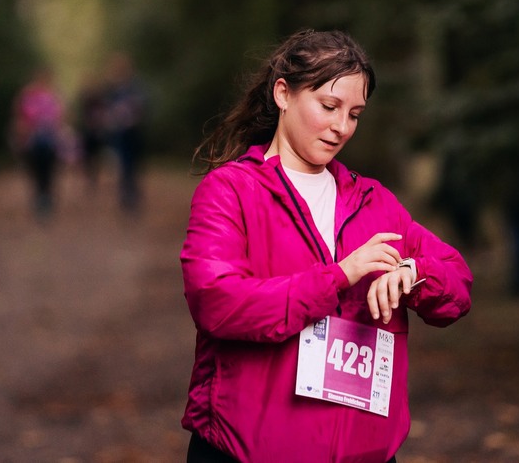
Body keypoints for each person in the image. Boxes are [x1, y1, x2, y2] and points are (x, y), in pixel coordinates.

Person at [180, 29, 473, 463]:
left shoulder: (374, 202)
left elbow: (458, 282)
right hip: (248, 453)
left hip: (363, 454)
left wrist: (413, 274)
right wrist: (338, 277)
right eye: (329, 107)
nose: (342, 127)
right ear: (283, 94)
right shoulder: (230, 191)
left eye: (355, 114)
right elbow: (216, 302)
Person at [10, 68, 65, 217]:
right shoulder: (28, 96)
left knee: (48, 170)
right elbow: (20, 116)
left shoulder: (53, 96)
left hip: (49, 141)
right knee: (36, 170)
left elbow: (60, 117)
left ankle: (45, 197)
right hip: (32, 140)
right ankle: (40, 196)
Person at [104, 52, 148, 211]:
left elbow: (142, 108)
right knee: (123, 164)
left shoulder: (136, 88)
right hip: (120, 133)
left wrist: (134, 119)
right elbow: (109, 111)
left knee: (133, 163)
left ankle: (131, 192)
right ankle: (127, 194)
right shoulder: (114, 91)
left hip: (134, 133)